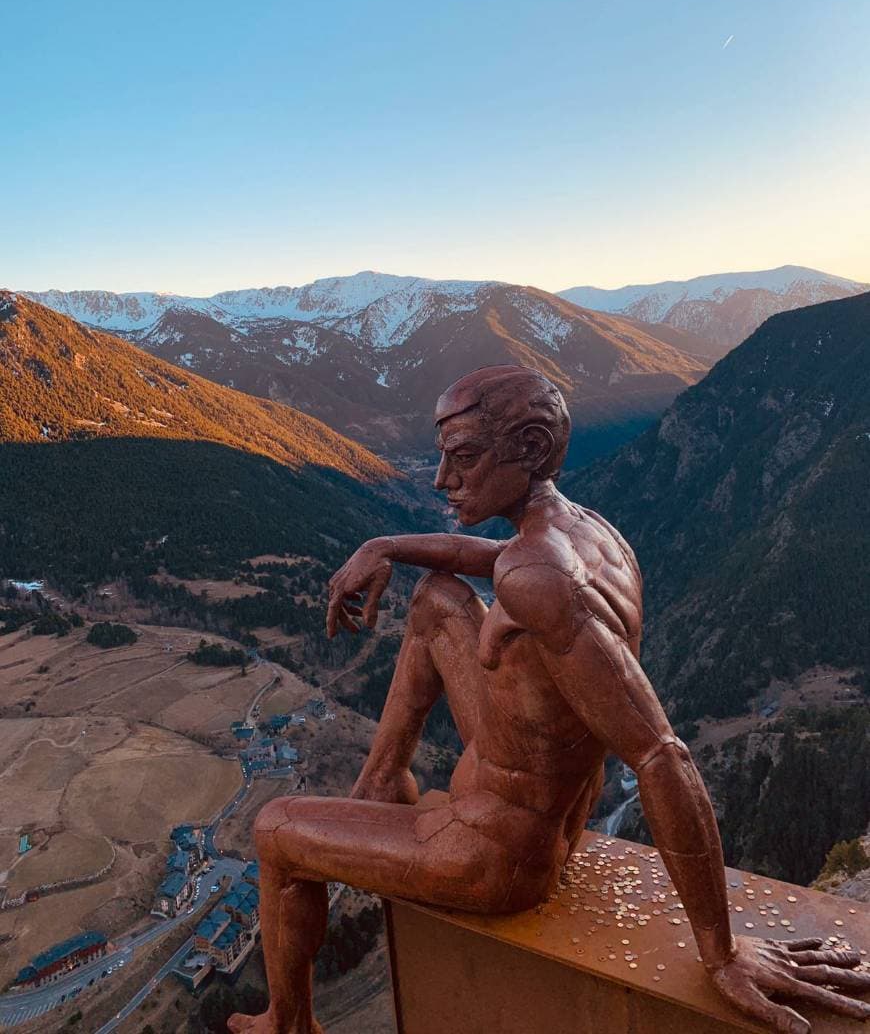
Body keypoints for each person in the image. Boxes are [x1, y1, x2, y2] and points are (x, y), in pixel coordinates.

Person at [230, 365, 870, 1034]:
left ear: (532, 448)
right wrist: (383, 543)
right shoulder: (589, 533)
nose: (442, 480)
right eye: (445, 456)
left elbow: (660, 756)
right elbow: (490, 556)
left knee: (274, 828)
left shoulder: (540, 579)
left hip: (496, 854)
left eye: (465, 458)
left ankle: (289, 1024)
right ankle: (384, 781)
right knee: (436, 598)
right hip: (544, 802)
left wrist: (722, 951)